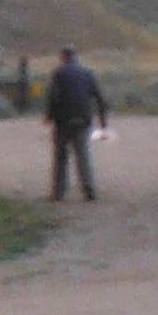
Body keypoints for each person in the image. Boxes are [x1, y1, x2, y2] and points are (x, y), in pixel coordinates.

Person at [45, 46, 106, 201]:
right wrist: (103, 121)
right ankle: (89, 189)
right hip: (83, 119)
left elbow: (53, 97)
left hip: (63, 121)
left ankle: (58, 192)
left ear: (63, 58)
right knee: (83, 155)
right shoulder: (87, 74)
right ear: (75, 57)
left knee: (61, 157)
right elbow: (98, 97)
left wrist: (49, 116)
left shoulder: (58, 74)